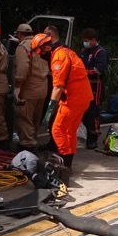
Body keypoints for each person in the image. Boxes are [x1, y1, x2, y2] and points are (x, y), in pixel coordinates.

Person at [31, 33, 93, 170]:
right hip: (83, 97)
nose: (40, 56)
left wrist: (49, 111)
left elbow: (58, 87)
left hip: (73, 99)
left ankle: (64, 163)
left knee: (57, 129)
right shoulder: (67, 51)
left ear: (46, 47)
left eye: (40, 52)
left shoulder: (58, 58)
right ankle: (68, 163)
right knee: (70, 130)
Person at [12, 23, 49, 152]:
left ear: (19, 34)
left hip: (28, 90)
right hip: (42, 89)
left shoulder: (23, 47)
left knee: (24, 118)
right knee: (35, 119)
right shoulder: (42, 44)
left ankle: (28, 147)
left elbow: (22, 69)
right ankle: (33, 141)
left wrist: (17, 86)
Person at [78, 28, 109, 150]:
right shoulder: (84, 51)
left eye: (86, 41)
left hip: (95, 85)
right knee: (84, 112)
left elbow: (98, 70)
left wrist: (83, 72)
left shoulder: (100, 52)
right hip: (83, 85)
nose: (85, 43)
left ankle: (93, 137)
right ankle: (85, 135)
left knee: (93, 112)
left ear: (93, 40)